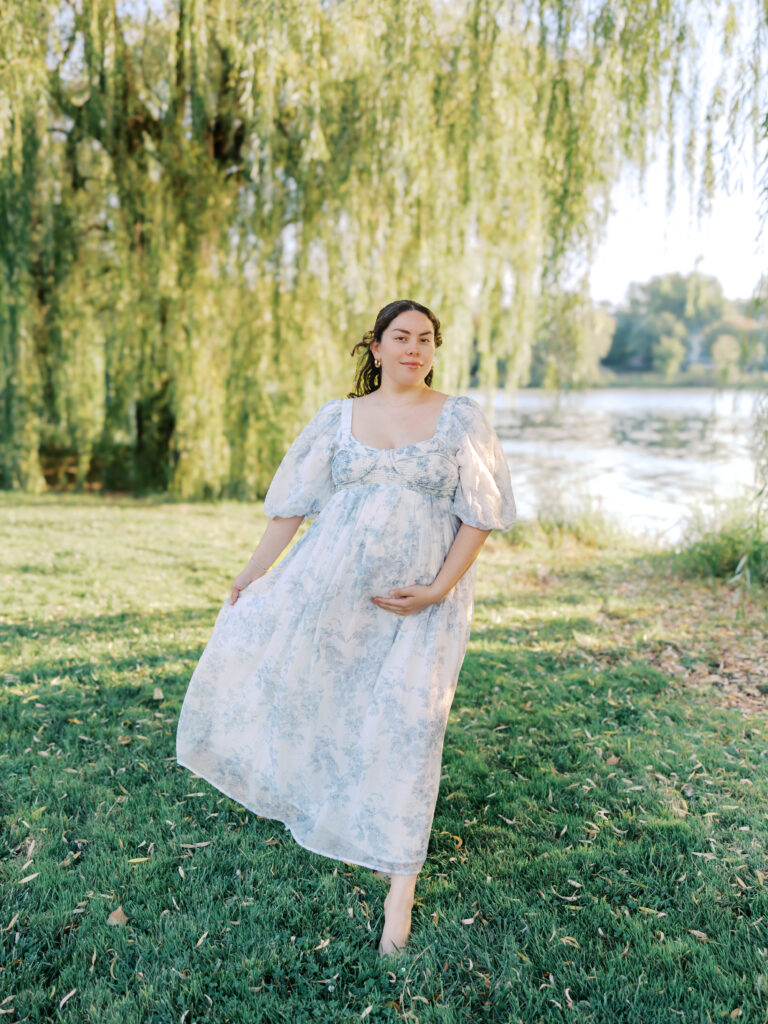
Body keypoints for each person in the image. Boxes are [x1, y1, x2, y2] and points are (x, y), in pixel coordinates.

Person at [175, 298, 516, 957]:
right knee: (327, 701)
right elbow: (292, 507)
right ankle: (342, 811)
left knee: (411, 723)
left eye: (426, 339)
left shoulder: (460, 418)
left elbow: (480, 514)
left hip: (421, 598)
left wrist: (438, 589)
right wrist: (252, 574)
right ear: (376, 347)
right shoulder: (339, 417)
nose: (414, 348)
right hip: (331, 585)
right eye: (401, 337)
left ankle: (400, 890)